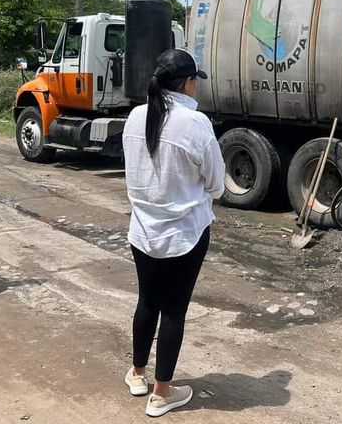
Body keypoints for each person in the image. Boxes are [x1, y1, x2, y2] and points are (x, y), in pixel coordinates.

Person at [122, 48, 225, 417]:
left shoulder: (135, 116)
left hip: (143, 231)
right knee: (174, 311)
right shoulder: (195, 124)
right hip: (184, 235)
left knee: (147, 301)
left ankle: (137, 374)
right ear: (187, 82)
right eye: (196, 81)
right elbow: (216, 184)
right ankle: (162, 394)